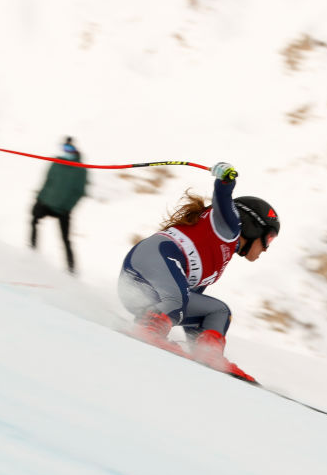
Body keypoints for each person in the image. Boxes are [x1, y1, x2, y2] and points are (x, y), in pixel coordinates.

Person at [116, 161, 279, 382]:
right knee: (177, 297)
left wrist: (199, 353)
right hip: (150, 260)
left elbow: (190, 307)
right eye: (268, 238)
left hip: (148, 296)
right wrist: (226, 178)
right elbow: (223, 196)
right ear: (253, 226)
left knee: (218, 311)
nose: (267, 248)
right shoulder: (230, 228)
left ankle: (210, 354)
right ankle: (149, 329)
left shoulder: (216, 262)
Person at [29, 137, 88, 273]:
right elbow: (47, 181)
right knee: (33, 220)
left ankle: (71, 269)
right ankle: (32, 251)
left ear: (75, 150)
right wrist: (39, 198)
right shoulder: (56, 163)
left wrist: (67, 207)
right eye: (65, 148)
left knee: (65, 240)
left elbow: (80, 192)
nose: (66, 151)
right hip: (46, 203)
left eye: (70, 149)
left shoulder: (80, 169)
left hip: (63, 209)